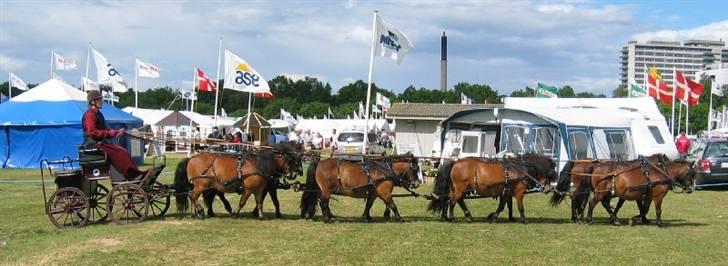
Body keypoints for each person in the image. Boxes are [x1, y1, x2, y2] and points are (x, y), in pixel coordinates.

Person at [82, 90, 157, 181]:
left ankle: (134, 173)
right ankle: (133, 175)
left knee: (122, 150)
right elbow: (91, 132)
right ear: (93, 102)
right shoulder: (90, 114)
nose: (102, 102)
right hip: (93, 143)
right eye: (99, 100)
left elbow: (104, 129)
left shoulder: (98, 114)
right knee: (119, 152)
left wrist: (116, 132)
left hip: (100, 142)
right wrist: (108, 133)